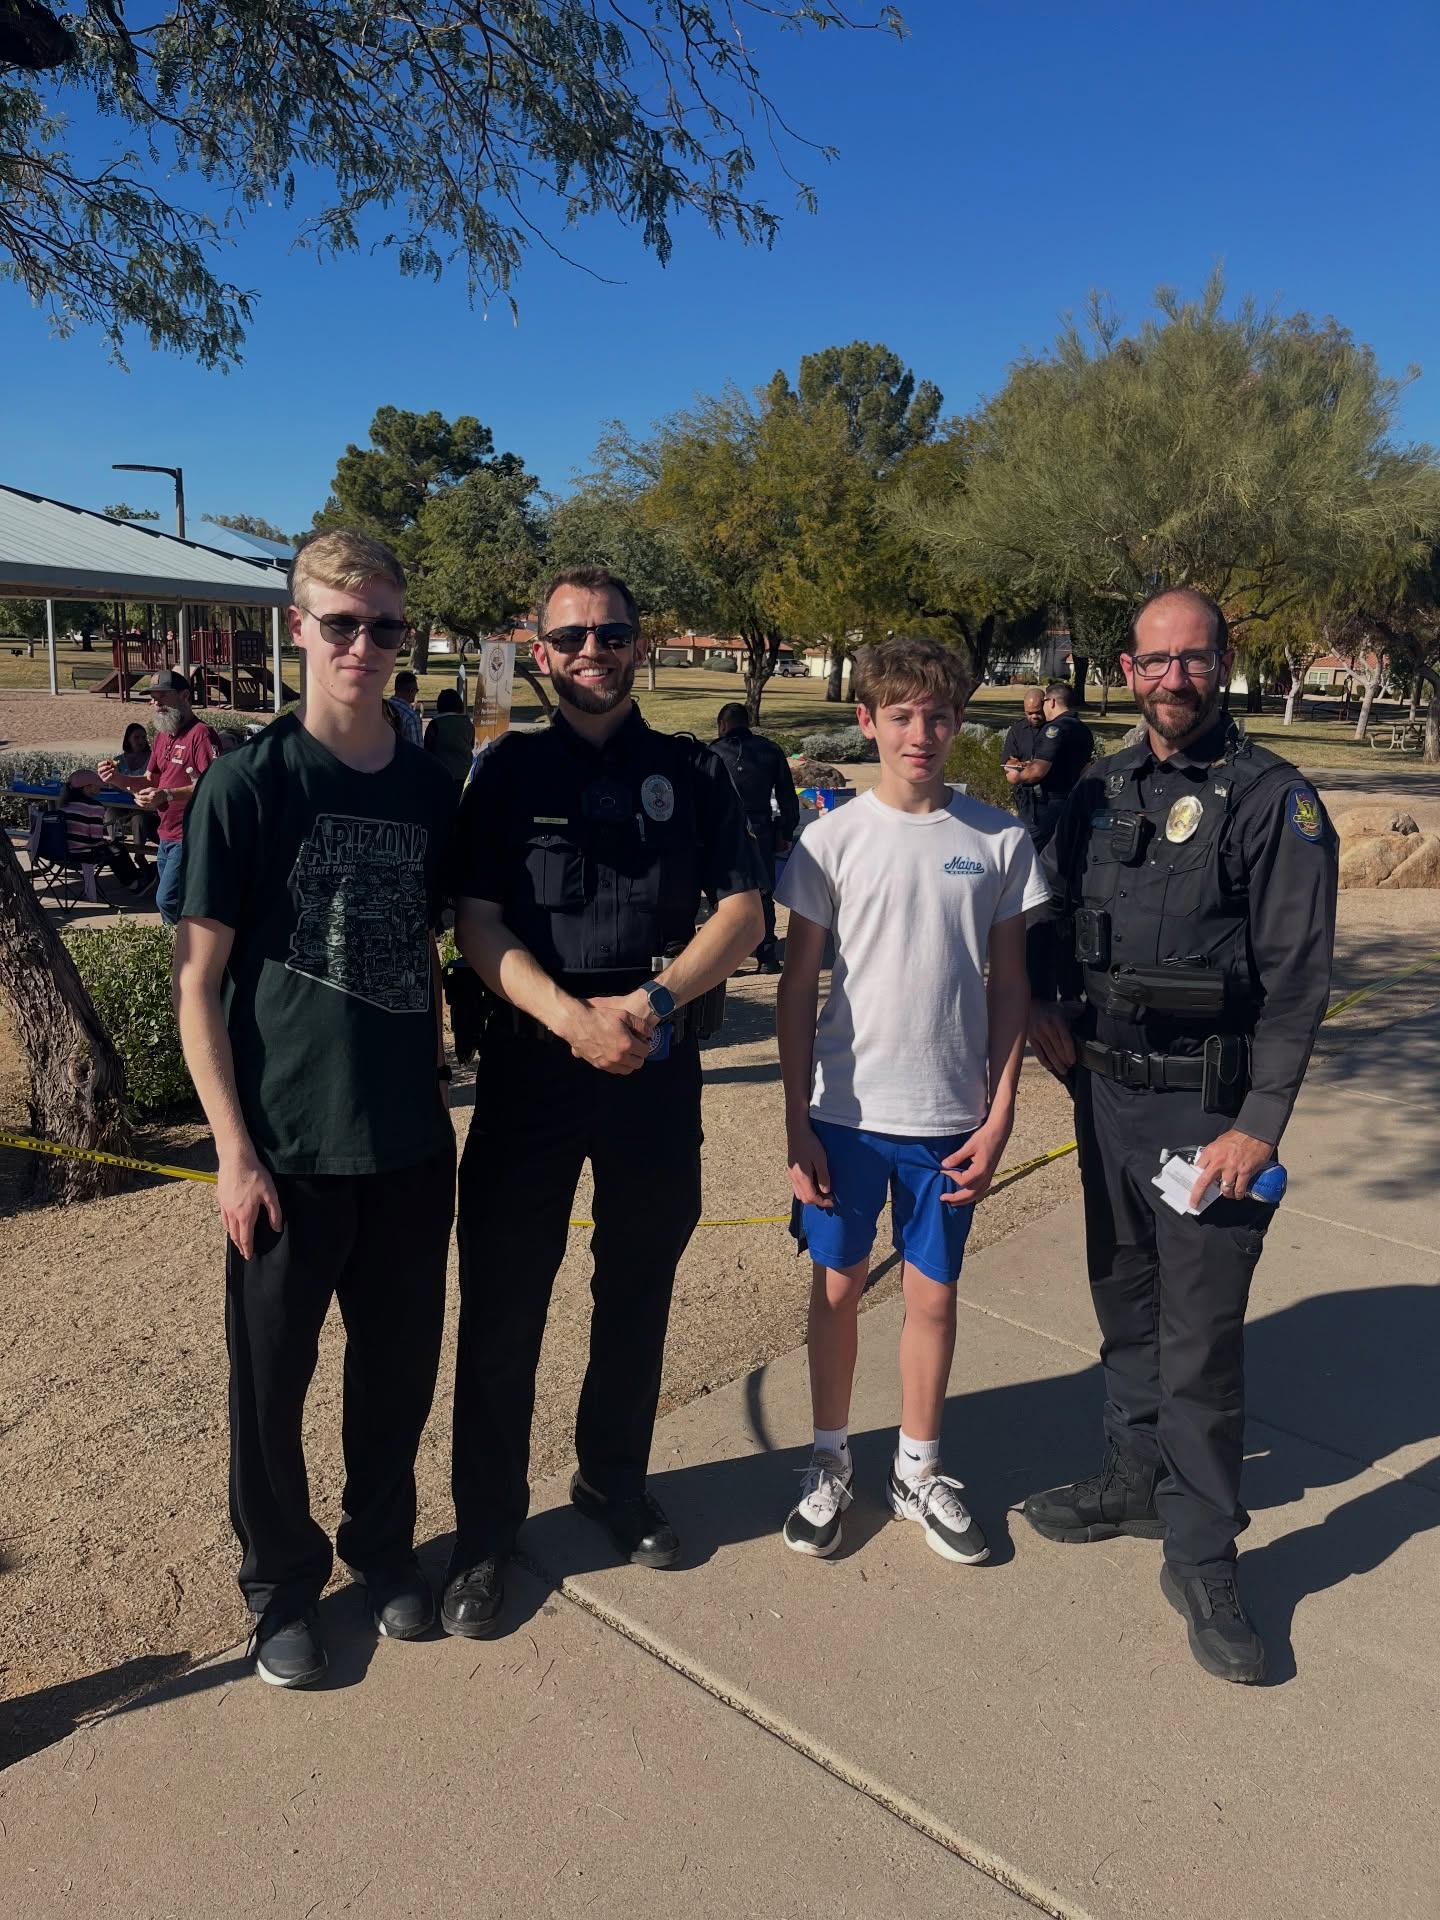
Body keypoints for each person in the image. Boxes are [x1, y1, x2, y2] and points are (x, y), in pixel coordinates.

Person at [1023, 587, 1338, 1686]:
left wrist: (1261, 1126)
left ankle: (1204, 1551)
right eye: (1154, 663)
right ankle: (1134, 1473)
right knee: (1126, 1299)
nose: (1173, 679)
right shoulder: (1099, 790)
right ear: (1127, 668)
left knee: (1202, 1340)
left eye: (1192, 660)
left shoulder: (1273, 801)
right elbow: (1053, 919)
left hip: (1210, 1117)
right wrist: (1039, 1005)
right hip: (1105, 1097)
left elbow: (1300, 984)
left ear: (1223, 662)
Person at [442, 565, 763, 1637]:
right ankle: (486, 1532)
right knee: (502, 1307)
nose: (594, 653)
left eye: (612, 635)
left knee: (638, 1285)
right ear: (541, 652)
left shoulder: (696, 771)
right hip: (535, 1067)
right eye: (571, 638)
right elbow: (479, 923)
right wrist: (571, 1018)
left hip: (655, 1065)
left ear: (639, 644)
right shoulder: (504, 772)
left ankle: (611, 1479)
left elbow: (745, 912)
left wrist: (652, 1001)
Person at [172, 530, 458, 1690]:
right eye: (340, 622)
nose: (362, 645)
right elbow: (198, 982)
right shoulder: (249, 784)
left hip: (405, 1147)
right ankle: (281, 1588)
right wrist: (233, 1156)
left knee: (396, 1374)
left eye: (384, 624)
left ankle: (382, 1555)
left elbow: (442, 944)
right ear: (297, 627)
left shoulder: (438, 788)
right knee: (270, 1387)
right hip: (285, 1150)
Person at [776, 637, 1045, 1564]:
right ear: (868, 721)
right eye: (900, 715)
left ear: (959, 721)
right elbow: (796, 987)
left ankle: (918, 1470)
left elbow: (1011, 987)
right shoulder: (830, 838)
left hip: (949, 1119)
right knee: (838, 1289)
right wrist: (793, 1121)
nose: (920, 733)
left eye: (937, 716)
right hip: (846, 1116)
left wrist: (1001, 1106)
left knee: (933, 1298)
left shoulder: (1000, 838)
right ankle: (828, 1460)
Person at [98, 670, 220, 926]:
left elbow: (213, 786)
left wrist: (166, 794)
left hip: (191, 835)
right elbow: (150, 781)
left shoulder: (201, 734)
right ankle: (178, 952)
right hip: (166, 833)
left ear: (185, 696)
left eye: (161, 696)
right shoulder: (163, 736)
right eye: (152, 698)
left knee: (168, 900)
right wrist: (116, 779)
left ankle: (179, 952)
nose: (155, 703)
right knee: (173, 903)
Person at [708, 702, 800, 972]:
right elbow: (786, 796)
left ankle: (729, 957)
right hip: (761, 828)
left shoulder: (713, 752)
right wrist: (786, 830)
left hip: (723, 830)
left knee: (723, 895)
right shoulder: (770, 750)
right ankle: (767, 956)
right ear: (747, 722)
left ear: (723, 725)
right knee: (763, 892)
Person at [1007, 681, 1096, 850]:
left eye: (1044, 702)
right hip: (1071, 801)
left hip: (1046, 805)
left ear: (1052, 702)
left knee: (1021, 852)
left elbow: (1038, 771)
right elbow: (1084, 768)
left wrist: (1016, 777)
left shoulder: (1053, 730)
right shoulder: (1083, 729)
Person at [58, 768, 152, 895]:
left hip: (61, 854)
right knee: (117, 849)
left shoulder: (64, 806)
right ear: (87, 788)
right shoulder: (94, 807)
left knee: (113, 848)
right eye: (97, 786)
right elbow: (96, 839)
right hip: (83, 855)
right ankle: (134, 883)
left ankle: (135, 879)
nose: (100, 788)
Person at [1001, 687, 1047, 839]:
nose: (1034, 716)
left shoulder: (1053, 728)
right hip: (1025, 795)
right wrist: (1019, 764)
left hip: (1050, 793)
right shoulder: (1017, 730)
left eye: (1038, 712)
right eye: (1029, 713)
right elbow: (1007, 760)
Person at [424, 687, 477, 789]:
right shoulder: (467, 722)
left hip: (441, 773)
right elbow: (471, 745)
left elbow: (427, 750)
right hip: (466, 773)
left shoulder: (435, 724)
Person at [387, 668, 425, 747]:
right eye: (416, 690)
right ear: (411, 690)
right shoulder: (411, 717)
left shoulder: (383, 707)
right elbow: (417, 749)